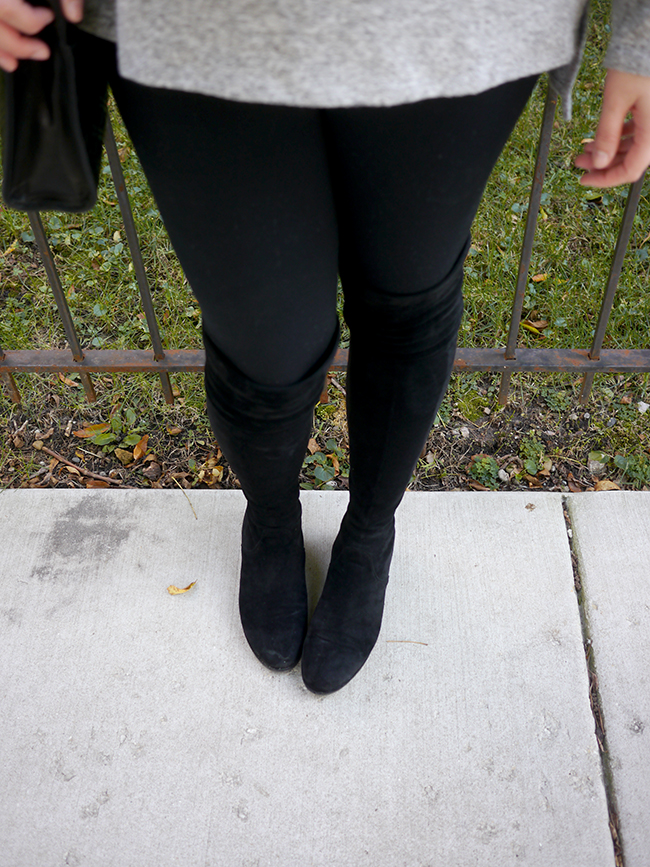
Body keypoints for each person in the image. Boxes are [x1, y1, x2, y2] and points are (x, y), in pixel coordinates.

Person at [2, 0, 649, 694]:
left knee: (407, 302)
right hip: (195, 29)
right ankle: (272, 520)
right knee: (264, 345)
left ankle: (370, 533)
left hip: (456, 26)